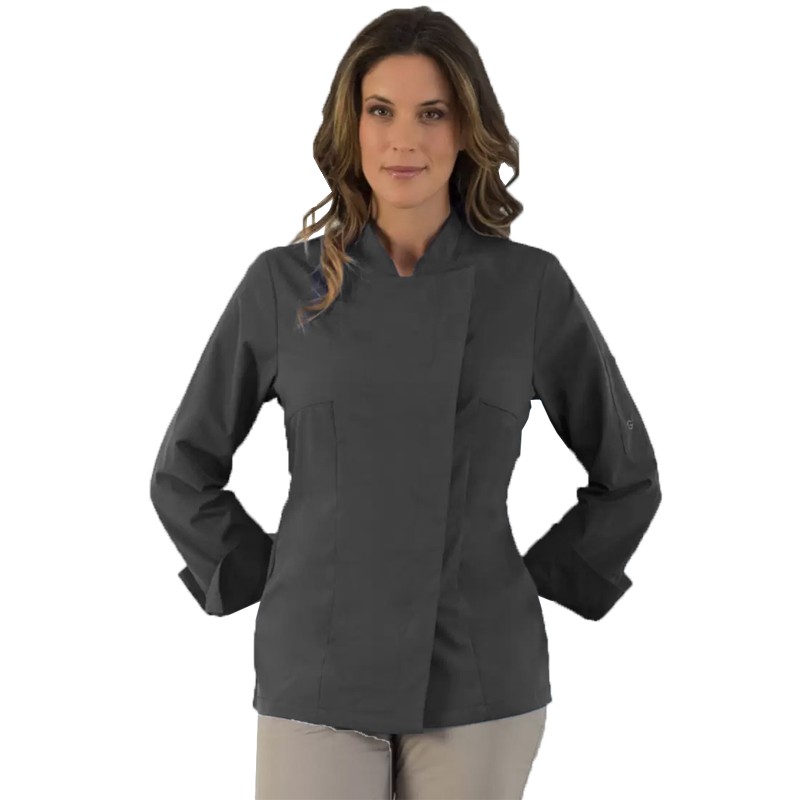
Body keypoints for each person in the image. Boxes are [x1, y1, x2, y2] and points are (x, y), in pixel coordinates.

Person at [149, 6, 662, 799]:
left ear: (467, 130)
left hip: (479, 672)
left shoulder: (529, 288)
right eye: (380, 111)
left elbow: (627, 472)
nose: (403, 141)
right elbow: (183, 470)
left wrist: (548, 578)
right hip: (315, 663)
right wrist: (266, 575)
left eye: (433, 113)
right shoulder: (281, 286)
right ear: (350, 127)